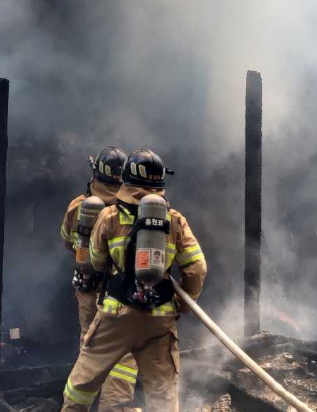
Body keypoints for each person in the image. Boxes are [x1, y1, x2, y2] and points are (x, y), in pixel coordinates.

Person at [63, 149, 207, 412]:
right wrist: (182, 304)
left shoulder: (109, 217)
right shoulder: (175, 221)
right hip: (159, 320)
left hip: (116, 315)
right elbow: (197, 268)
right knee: (162, 393)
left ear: (127, 181)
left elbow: (96, 261)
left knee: (82, 382)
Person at [60, 146, 139, 410]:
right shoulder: (130, 210)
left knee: (90, 345)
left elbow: (67, 241)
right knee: (123, 354)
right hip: (120, 294)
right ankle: (114, 406)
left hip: (88, 289)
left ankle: (79, 404)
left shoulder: (78, 206)